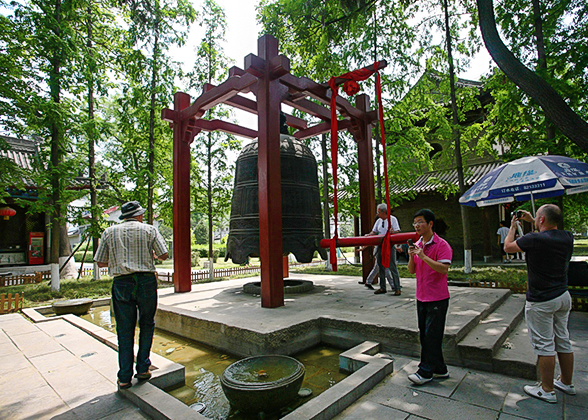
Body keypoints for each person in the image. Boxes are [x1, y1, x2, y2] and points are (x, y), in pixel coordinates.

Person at [504, 204, 575, 404]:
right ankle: (567, 383)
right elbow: (544, 239)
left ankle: (547, 389)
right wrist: (532, 221)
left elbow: (508, 247)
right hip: (562, 295)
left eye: (537, 217)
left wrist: (512, 227)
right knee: (563, 339)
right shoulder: (567, 236)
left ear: (541, 220)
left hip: (542, 300)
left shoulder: (534, 239)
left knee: (544, 345)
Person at [94, 201, 169, 389]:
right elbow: (164, 255)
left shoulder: (109, 232)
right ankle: (143, 368)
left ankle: (125, 377)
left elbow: (100, 262)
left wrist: (117, 259)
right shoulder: (149, 230)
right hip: (145, 282)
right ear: (139, 215)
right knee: (146, 323)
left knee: (124, 329)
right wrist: (151, 255)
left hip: (122, 283)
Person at [407, 209, 453, 385]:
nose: (417, 225)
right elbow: (412, 271)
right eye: (415, 223)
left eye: (420, 222)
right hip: (422, 297)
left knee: (431, 336)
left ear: (430, 224)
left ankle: (425, 371)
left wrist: (423, 256)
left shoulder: (442, 245)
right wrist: (412, 256)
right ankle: (440, 369)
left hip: (437, 298)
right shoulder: (418, 244)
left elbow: (443, 269)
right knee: (426, 335)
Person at [365, 203, 401, 295]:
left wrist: (392, 232)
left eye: (379, 212)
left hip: (390, 245)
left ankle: (397, 288)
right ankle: (382, 287)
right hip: (380, 245)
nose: (377, 214)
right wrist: (368, 236)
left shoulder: (393, 219)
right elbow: (374, 231)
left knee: (392, 266)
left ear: (384, 212)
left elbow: (397, 231)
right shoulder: (378, 221)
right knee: (380, 266)